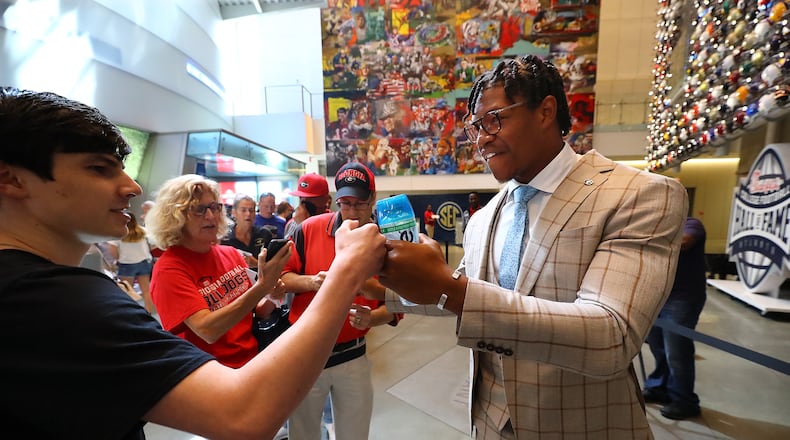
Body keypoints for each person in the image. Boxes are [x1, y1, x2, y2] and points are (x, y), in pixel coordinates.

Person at [0, 87, 387, 438]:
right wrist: (343, 271)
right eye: (98, 168)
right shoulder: (55, 302)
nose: (131, 187)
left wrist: (274, 292)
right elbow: (238, 406)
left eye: (214, 208)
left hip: (260, 369)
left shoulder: (228, 255)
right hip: (225, 384)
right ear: (12, 180)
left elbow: (263, 310)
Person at [374, 55, 688, 438]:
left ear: (545, 111)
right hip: (489, 423)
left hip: (582, 426)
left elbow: (612, 336)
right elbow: (461, 293)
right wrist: (375, 286)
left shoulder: (637, 194)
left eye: (494, 119)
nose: (482, 139)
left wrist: (450, 289)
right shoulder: (483, 218)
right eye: (475, 127)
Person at [282, 162, 401, 440]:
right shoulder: (308, 229)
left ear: (372, 199)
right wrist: (312, 281)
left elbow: (399, 304)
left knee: (355, 434)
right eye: (345, 203)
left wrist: (371, 318)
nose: (351, 212)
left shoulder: (386, 242)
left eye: (359, 204)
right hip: (307, 354)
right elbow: (280, 280)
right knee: (302, 433)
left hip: (353, 355)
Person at [147, 175, 286, 368]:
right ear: (175, 216)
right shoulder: (169, 269)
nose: (211, 216)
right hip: (208, 375)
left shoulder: (231, 254)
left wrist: (271, 295)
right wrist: (262, 287)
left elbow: (255, 311)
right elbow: (208, 330)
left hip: (253, 362)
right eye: (198, 209)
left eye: (214, 207)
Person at [643, 217, 707, 420]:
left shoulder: (690, 224)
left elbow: (685, 241)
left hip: (683, 298)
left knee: (677, 351)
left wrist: (646, 240)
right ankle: (659, 387)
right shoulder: (655, 226)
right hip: (658, 296)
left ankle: (684, 400)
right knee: (658, 346)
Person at [108, 212, 155, 313]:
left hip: (126, 264)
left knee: (127, 291)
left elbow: (112, 251)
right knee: (146, 290)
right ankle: (149, 313)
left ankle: (130, 313)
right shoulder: (143, 231)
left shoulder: (118, 232)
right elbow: (153, 244)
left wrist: (118, 259)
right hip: (144, 262)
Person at [222, 193, 273, 268]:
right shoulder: (225, 238)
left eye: (251, 210)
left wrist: (256, 263)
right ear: (234, 212)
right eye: (243, 210)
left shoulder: (264, 234)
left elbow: (274, 265)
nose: (248, 214)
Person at [285, 172, 331, 239]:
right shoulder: (292, 223)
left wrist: (304, 225)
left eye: (310, 198)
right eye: (301, 197)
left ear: (325, 199)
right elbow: (289, 247)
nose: (304, 203)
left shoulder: (333, 223)